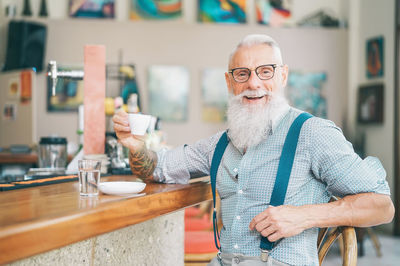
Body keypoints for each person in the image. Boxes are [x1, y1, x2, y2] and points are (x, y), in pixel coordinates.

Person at [112, 34, 394, 266]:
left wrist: (304, 216)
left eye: (265, 71)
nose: (253, 83)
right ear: (229, 82)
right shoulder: (219, 144)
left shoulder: (312, 133)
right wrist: (135, 145)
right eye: (242, 74)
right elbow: (156, 168)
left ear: (282, 76)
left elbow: (382, 207)